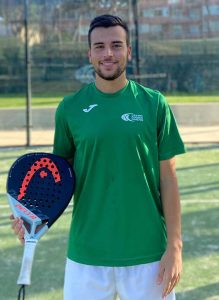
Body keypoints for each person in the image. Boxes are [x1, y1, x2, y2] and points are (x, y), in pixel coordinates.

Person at [11, 14, 186, 300]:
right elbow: (56, 181)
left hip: (149, 255)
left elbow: (168, 178)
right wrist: (31, 219)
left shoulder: (154, 104)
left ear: (129, 51)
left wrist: (175, 247)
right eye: (100, 46)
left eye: (116, 45)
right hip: (87, 256)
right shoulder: (69, 109)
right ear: (89, 54)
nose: (108, 53)